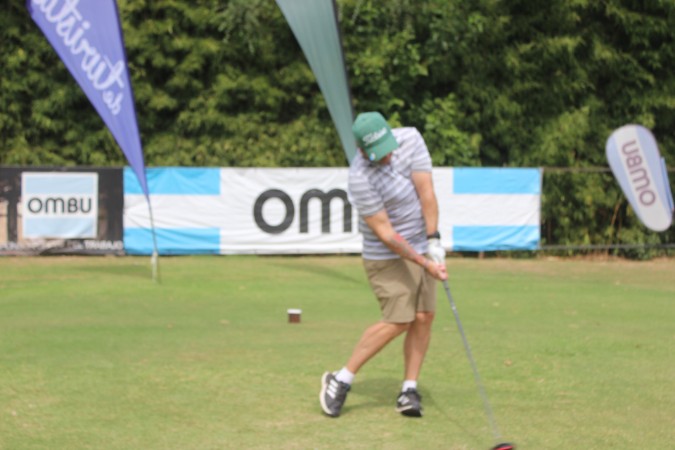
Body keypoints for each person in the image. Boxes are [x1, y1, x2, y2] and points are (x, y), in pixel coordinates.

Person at [320, 111, 447, 418]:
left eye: (388, 149)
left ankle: (408, 390)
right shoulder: (359, 178)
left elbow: (426, 192)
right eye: (378, 153)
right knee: (399, 319)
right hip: (385, 255)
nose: (387, 157)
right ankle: (341, 379)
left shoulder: (411, 139)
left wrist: (433, 241)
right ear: (361, 149)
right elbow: (386, 234)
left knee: (424, 316)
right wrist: (424, 262)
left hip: (421, 244)